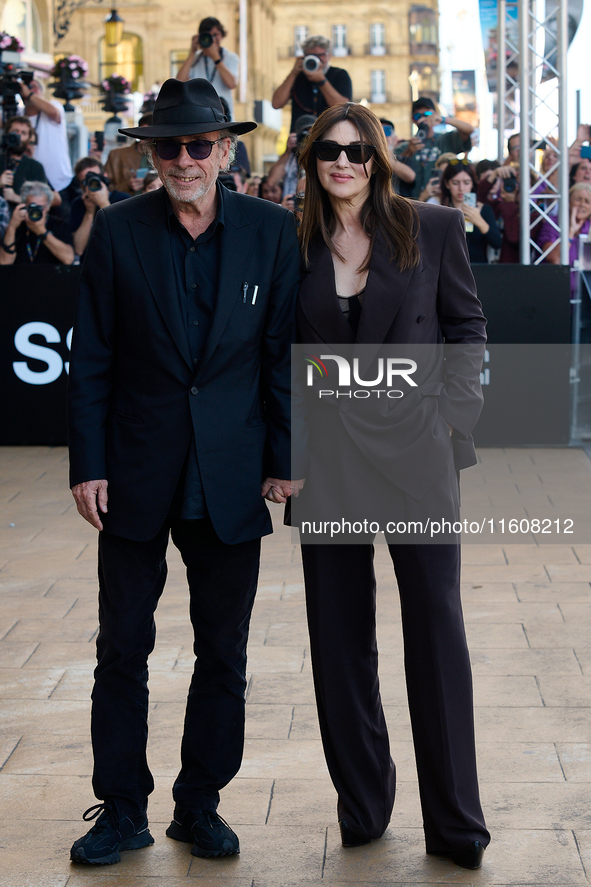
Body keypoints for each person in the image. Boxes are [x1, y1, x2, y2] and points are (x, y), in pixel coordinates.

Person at [67, 77, 300, 866]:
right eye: (168, 146)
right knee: (121, 646)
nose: (184, 159)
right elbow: (92, 357)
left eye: (199, 144)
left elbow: (279, 354)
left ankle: (199, 802)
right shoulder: (120, 231)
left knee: (222, 651)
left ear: (226, 150)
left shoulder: (272, 231)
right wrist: (87, 464)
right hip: (134, 469)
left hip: (230, 471)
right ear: (152, 155)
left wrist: (285, 458)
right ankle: (121, 808)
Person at [292, 102, 489, 869]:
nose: (343, 162)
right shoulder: (294, 238)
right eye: (328, 152)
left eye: (358, 151)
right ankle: (364, 807)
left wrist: (451, 419)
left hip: (416, 455)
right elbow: (282, 347)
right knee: (338, 642)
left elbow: (467, 328)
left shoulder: (430, 227)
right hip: (330, 462)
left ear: (378, 158)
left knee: (435, 632)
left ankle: (456, 825)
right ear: (311, 162)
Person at [395, 96, 473, 200]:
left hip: (442, 200)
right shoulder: (405, 146)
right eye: (418, 116)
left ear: (435, 114)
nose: (424, 119)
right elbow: (393, 168)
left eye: (428, 114)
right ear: (413, 119)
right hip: (413, 202)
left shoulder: (445, 139)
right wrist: (408, 153)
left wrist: (444, 119)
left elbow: (469, 130)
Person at [272, 35, 353, 133]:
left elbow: (343, 108)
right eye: (311, 56)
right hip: (300, 138)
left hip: (329, 137)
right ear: (304, 57)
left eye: (320, 55)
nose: (316, 60)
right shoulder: (298, 76)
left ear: (329, 55)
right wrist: (293, 73)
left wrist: (321, 80)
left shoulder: (339, 74)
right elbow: (276, 103)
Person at [176, 17, 239, 119]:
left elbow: (232, 83)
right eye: (208, 35)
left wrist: (216, 58)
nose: (212, 39)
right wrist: (192, 52)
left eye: (215, 35)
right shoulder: (195, 59)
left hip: (223, 114)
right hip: (199, 114)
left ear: (222, 35)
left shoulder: (230, 57)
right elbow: (179, 82)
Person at [439, 159, 501, 263]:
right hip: (448, 270)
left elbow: (497, 243)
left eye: (466, 183)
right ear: (447, 183)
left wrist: (479, 221)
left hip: (478, 270)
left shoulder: (483, 210)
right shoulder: (440, 210)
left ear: (473, 183)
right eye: (455, 183)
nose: (461, 188)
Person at [0, 180, 74, 265]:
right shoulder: (18, 225)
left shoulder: (59, 225)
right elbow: (4, 261)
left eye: (40, 207)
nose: (36, 211)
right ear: (24, 205)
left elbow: (68, 259)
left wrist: (41, 231)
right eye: (33, 206)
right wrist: (12, 227)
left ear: (48, 207)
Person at [19, 78, 73, 193]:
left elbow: (53, 112)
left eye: (34, 87)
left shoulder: (54, 106)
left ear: (42, 93)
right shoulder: (17, 113)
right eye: (26, 87)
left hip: (59, 183)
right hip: (28, 186)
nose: (29, 90)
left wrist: (29, 95)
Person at [69, 159, 129, 259]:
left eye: (95, 178)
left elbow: (123, 239)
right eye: (86, 180)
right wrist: (89, 213)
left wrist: (104, 203)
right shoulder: (78, 204)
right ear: (80, 184)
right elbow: (78, 249)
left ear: (104, 177)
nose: (91, 183)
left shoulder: (123, 199)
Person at [0, 116, 48, 208]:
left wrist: (16, 198)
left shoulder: (35, 167)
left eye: (23, 133)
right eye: (15, 132)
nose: (19, 137)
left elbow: (43, 201)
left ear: (29, 138)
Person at [104, 114, 154, 194]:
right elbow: (105, 187)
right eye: (144, 131)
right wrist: (128, 185)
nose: (147, 136)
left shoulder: (165, 157)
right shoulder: (116, 155)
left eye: (151, 133)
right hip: (126, 202)